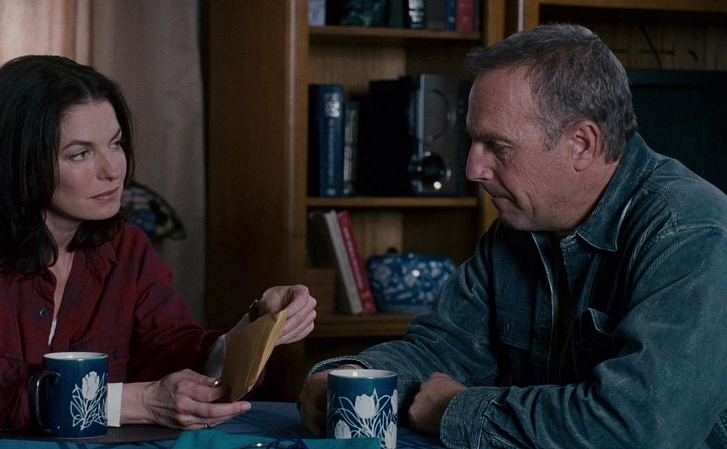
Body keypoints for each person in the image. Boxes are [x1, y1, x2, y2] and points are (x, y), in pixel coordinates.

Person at [299, 23, 727, 448]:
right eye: (472, 142)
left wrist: (454, 410)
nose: (473, 170)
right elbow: (443, 350)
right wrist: (351, 375)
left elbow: (641, 428)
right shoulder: (518, 229)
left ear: (581, 144)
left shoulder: (691, 232)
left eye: (497, 146)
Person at [0, 55, 316, 432]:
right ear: (21, 161)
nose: (113, 169)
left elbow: (174, 351)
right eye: (81, 154)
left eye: (115, 144)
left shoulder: (125, 246)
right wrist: (139, 402)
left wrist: (258, 326)